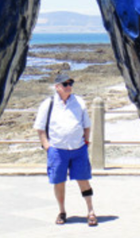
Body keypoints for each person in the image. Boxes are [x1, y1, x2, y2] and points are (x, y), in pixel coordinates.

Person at [33, 73, 98, 226]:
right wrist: (47, 146)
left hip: (78, 149)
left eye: (70, 83)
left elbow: (86, 125)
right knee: (59, 181)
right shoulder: (48, 104)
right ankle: (62, 211)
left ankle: (90, 210)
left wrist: (86, 142)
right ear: (57, 87)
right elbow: (40, 128)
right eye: (65, 84)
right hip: (57, 150)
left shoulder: (79, 102)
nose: (69, 87)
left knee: (83, 180)